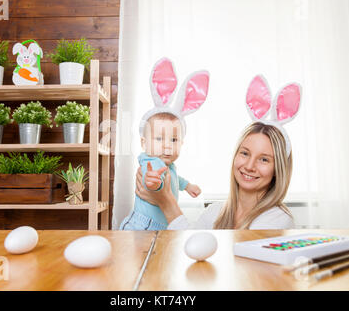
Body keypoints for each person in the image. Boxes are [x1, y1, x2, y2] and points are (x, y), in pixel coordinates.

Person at [134, 75, 301, 230]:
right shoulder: (215, 212)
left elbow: (200, 245)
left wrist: (165, 202)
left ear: (277, 170)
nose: (249, 166)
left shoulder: (278, 220)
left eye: (264, 159)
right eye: (244, 153)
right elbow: (188, 245)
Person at [119, 57, 210, 230]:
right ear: (144, 143)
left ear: (182, 143)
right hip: (142, 226)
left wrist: (187, 185)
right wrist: (153, 183)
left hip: (161, 225)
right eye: (159, 139)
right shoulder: (151, 162)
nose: (167, 145)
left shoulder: (170, 166)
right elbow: (150, 178)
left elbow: (176, 179)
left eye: (174, 140)